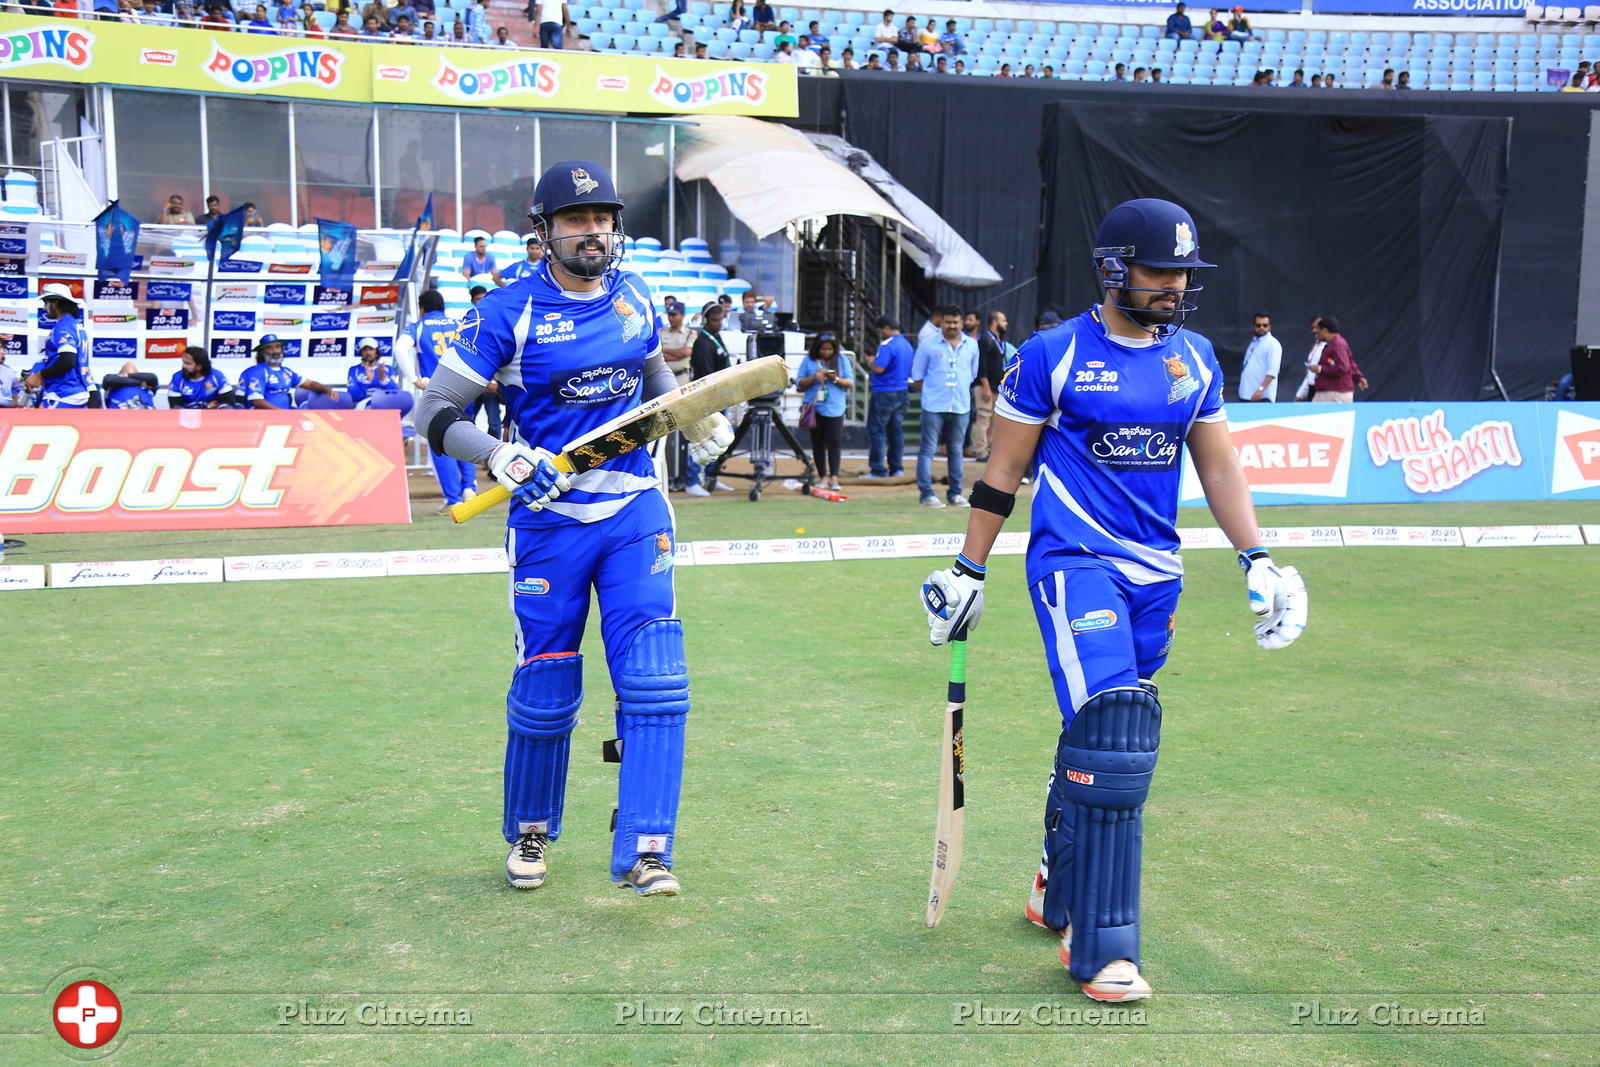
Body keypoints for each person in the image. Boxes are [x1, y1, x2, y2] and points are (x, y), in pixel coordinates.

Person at [918, 197, 1307, 1004]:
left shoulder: (1195, 359)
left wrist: (1258, 558)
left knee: (1097, 731)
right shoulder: (1051, 355)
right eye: (1158, 269)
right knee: (1114, 728)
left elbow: (1220, 468)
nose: (1173, 285)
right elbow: (1002, 473)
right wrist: (967, 568)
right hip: (1072, 563)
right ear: (1112, 268)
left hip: (1156, 575)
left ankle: (1054, 883)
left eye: (1183, 273)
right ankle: (1099, 943)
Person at [415, 160, 734, 896]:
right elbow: (432, 415)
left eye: (603, 219)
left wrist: (692, 414)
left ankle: (648, 848)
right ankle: (530, 831)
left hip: (633, 506)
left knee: (656, 676)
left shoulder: (636, 293)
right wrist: (500, 453)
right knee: (547, 682)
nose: (592, 232)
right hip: (549, 519)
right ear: (543, 231)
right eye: (575, 219)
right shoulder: (507, 312)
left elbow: (653, 376)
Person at [396, 289, 481, 514]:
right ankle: (469, 487)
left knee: (439, 442)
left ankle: (453, 498)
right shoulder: (458, 323)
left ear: (422, 309)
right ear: (442, 307)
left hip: (438, 390)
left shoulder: (419, 326)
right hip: (466, 387)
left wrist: (414, 379)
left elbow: (400, 347)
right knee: (468, 434)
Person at [910, 305, 978, 508]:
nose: (952, 326)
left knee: (956, 450)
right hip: (933, 405)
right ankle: (926, 494)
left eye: (956, 322)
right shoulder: (928, 345)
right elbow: (917, 375)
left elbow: (972, 374)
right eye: (948, 322)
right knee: (928, 449)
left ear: (962, 322)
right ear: (941, 322)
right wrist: (931, 394)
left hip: (960, 405)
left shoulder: (972, 345)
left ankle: (955, 493)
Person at [684, 300, 733, 496]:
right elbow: (707, 374)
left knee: (720, 438)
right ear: (706, 320)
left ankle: (712, 477)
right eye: (714, 320)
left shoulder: (716, 336)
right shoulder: (703, 342)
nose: (719, 323)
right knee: (703, 437)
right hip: (708, 397)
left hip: (720, 395)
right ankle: (693, 480)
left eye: (721, 319)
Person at [796, 333, 852, 493]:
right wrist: (815, 377)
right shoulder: (808, 361)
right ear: (817, 348)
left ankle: (834, 476)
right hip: (814, 408)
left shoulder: (842, 360)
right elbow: (799, 382)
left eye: (830, 349)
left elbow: (850, 382)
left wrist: (835, 379)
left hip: (835, 407)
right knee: (818, 443)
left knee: (834, 442)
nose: (826, 352)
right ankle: (822, 477)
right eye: (823, 349)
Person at [25, 284, 89, 408]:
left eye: (46, 303)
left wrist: (39, 375)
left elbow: (68, 361)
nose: (44, 308)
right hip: (75, 393)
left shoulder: (63, 327)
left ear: (55, 303)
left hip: (63, 394)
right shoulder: (75, 325)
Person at [865, 315, 911, 478]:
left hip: (884, 391)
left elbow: (879, 368)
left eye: (880, 331)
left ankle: (878, 469)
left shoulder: (887, 344)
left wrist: (871, 362)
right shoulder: (906, 344)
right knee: (896, 431)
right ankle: (897, 467)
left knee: (877, 431)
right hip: (902, 390)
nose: (880, 335)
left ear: (885, 328)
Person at [238, 334, 336, 409]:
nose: (275, 351)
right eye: (269, 348)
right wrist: (283, 415)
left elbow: (309, 384)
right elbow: (258, 402)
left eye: (277, 347)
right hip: (262, 418)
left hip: (284, 415)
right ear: (262, 353)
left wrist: (326, 390)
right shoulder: (257, 371)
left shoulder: (286, 371)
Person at [972, 310, 1007, 461]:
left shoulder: (999, 340)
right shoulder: (985, 340)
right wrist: (985, 385)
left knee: (994, 420)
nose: (1006, 324)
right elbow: (982, 365)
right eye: (1003, 321)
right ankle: (981, 451)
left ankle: (989, 448)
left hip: (996, 387)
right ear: (994, 322)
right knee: (983, 418)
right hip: (984, 386)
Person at [1310, 316, 1367, 401]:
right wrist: (1358, 378)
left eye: (1318, 329)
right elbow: (1350, 364)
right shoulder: (1334, 344)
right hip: (1329, 393)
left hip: (1335, 394)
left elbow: (1343, 368)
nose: (1316, 332)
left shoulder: (1337, 345)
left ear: (1325, 330)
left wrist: (1320, 369)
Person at [166, 346, 232, 408]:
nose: (183, 366)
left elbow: (229, 404)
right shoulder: (177, 378)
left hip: (212, 417)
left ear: (199, 366)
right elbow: (175, 408)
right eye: (183, 362)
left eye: (188, 363)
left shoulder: (216, 376)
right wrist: (206, 407)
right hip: (186, 418)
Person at [346, 338, 405, 407]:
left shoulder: (387, 369)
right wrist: (368, 382)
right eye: (365, 350)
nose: (368, 353)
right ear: (361, 352)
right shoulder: (354, 370)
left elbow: (395, 392)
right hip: (363, 406)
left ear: (376, 352)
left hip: (384, 405)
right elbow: (353, 394)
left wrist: (383, 379)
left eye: (371, 349)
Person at [1239, 311, 1281, 401]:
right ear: (1254, 326)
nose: (1262, 328)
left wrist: (1261, 390)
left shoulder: (1273, 344)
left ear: (1270, 326)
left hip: (1262, 396)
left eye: (1265, 325)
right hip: (1247, 394)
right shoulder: (1254, 342)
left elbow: (1273, 371)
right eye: (1258, 325)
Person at [1291, 316, 1323, 401]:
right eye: (1313, 328)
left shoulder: (1331, 347)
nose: (1314, 331)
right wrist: (1300, 395)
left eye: (1317, 328)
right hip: (1312, 390)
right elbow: (1310, 374)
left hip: (1323, 391)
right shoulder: (1317, 345)